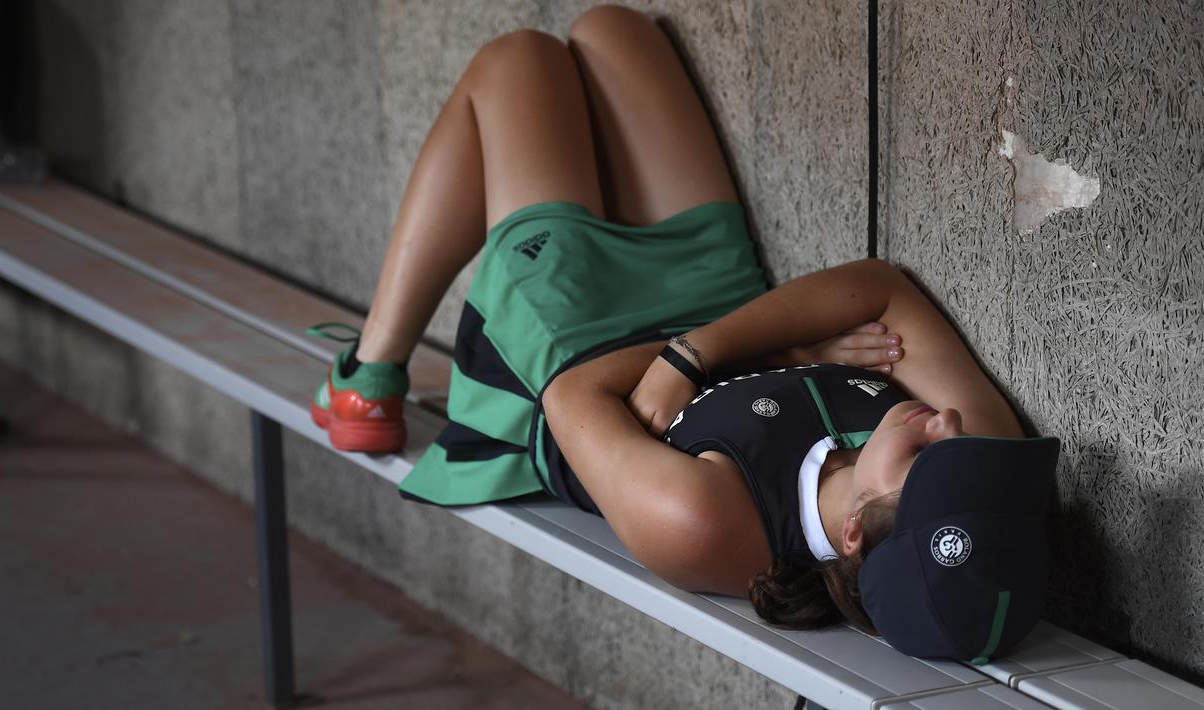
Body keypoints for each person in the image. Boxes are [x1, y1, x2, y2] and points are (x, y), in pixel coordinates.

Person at [307, 5, 1060, 663]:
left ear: (855, 533)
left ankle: (370, 376)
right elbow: (881, 285)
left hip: (572, 343)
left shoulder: (708, 525)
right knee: (612, 31)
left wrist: (781, 350)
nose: (946, 421)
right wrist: (698, 348)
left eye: (924, 456)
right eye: (956, 446)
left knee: (518, 60)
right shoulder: (972, 456)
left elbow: (577, 395)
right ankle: (369, 372)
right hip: (709, 300)